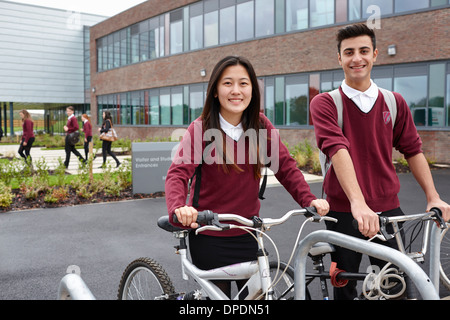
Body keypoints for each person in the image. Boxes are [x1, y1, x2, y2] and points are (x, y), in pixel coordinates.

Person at [165, 55, 329, 298]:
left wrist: (309, 200)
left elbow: (285, 167)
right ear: (215, 91)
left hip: (249, 232)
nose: (236, 91)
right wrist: (180, 208)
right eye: (227, 83)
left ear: (252, 89)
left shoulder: (261, 126)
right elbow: (177, 174)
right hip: (209, 233)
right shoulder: (201, 128)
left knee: (254, 300)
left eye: (243, 83)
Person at [310, 23, 450, 300]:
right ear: (339, 59)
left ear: (375, 55)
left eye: (363, 51)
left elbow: (412, 150)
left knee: (394, 285)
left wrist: (433, 196)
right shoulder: (326, 103)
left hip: (388, 210)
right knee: (345, 286)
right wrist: (358, 203)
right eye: (348, 52)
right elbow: (337, 149)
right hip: (343, 213)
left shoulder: (394, 102)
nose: (356, 58)